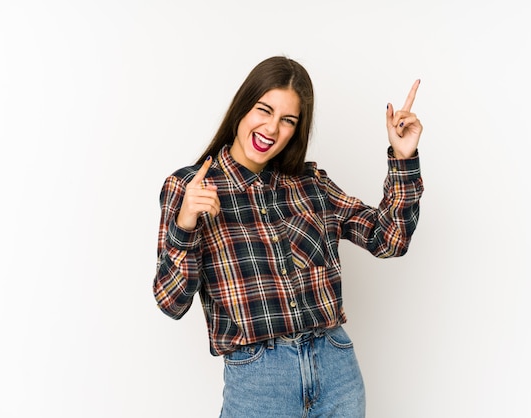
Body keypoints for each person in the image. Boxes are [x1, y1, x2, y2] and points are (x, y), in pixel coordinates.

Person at [152, 56, 423, 417]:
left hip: (335, 367)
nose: (271, 128)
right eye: (264, 110)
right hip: (260, 380)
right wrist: (185, 226)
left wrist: (403, 159)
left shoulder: (311, 184)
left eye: (288, 120)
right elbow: (171, 303)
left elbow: (389, 239)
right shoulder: (190, 187)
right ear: (242, 108)